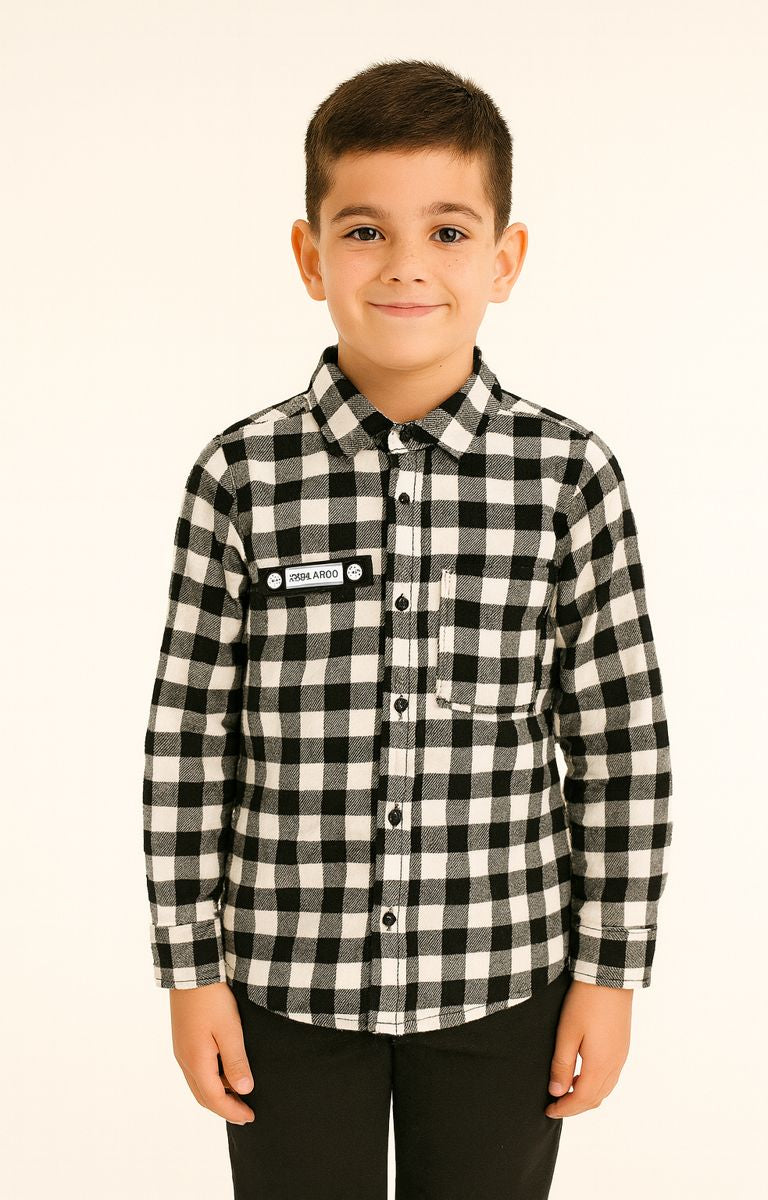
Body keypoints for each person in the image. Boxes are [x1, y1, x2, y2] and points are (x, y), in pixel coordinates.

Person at [142, 58, 673, 1200]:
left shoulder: (567, 476)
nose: (405, 265)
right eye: (365, 231)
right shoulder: (240, 476)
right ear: (309, 255)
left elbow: (620, 742)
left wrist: (609, 974)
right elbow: (188, 739)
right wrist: (190, 973)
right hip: (285, 984)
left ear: (504, 258)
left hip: (506, 979)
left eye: (446, 231)